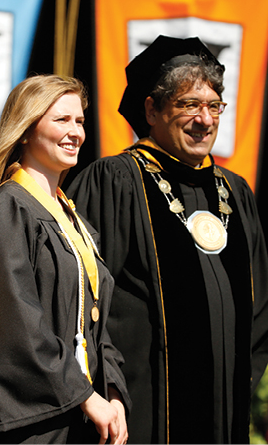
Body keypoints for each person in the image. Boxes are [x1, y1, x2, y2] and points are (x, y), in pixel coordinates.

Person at [67, 35, 268, 444]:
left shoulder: (235, 192)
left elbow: (260, 305)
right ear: (152, 110)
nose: (205, 120)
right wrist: (105, 388)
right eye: (189, 105)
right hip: (140, 410)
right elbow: (79, 299)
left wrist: (238, 378)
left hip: (224, 413)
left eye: (214, 106)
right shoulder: (114, 183)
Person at [0, 74, 131, 444]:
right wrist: (84, 396)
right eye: (61, 120)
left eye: (80, 121)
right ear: (24, 131)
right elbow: (14, 323)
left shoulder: (74, 220)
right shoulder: (7, 210)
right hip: (31, 422)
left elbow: (96, 322)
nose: (75, 132)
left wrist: (112, 391)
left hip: (77, 414)